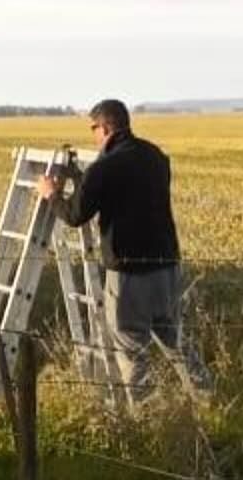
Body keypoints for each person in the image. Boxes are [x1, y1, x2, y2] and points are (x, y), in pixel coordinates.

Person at [38, 98, 209, 403]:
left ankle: (147, 417)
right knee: (175, 339)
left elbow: (76, 215)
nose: (93, 135)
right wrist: (83, 179)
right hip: (167, 267)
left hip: (130, 275)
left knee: (131, 350)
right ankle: (208, 398)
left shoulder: (104, 167)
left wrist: (51, 194)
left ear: (104, 126)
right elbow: (128, 193)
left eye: (93, 128)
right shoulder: (156, 156)